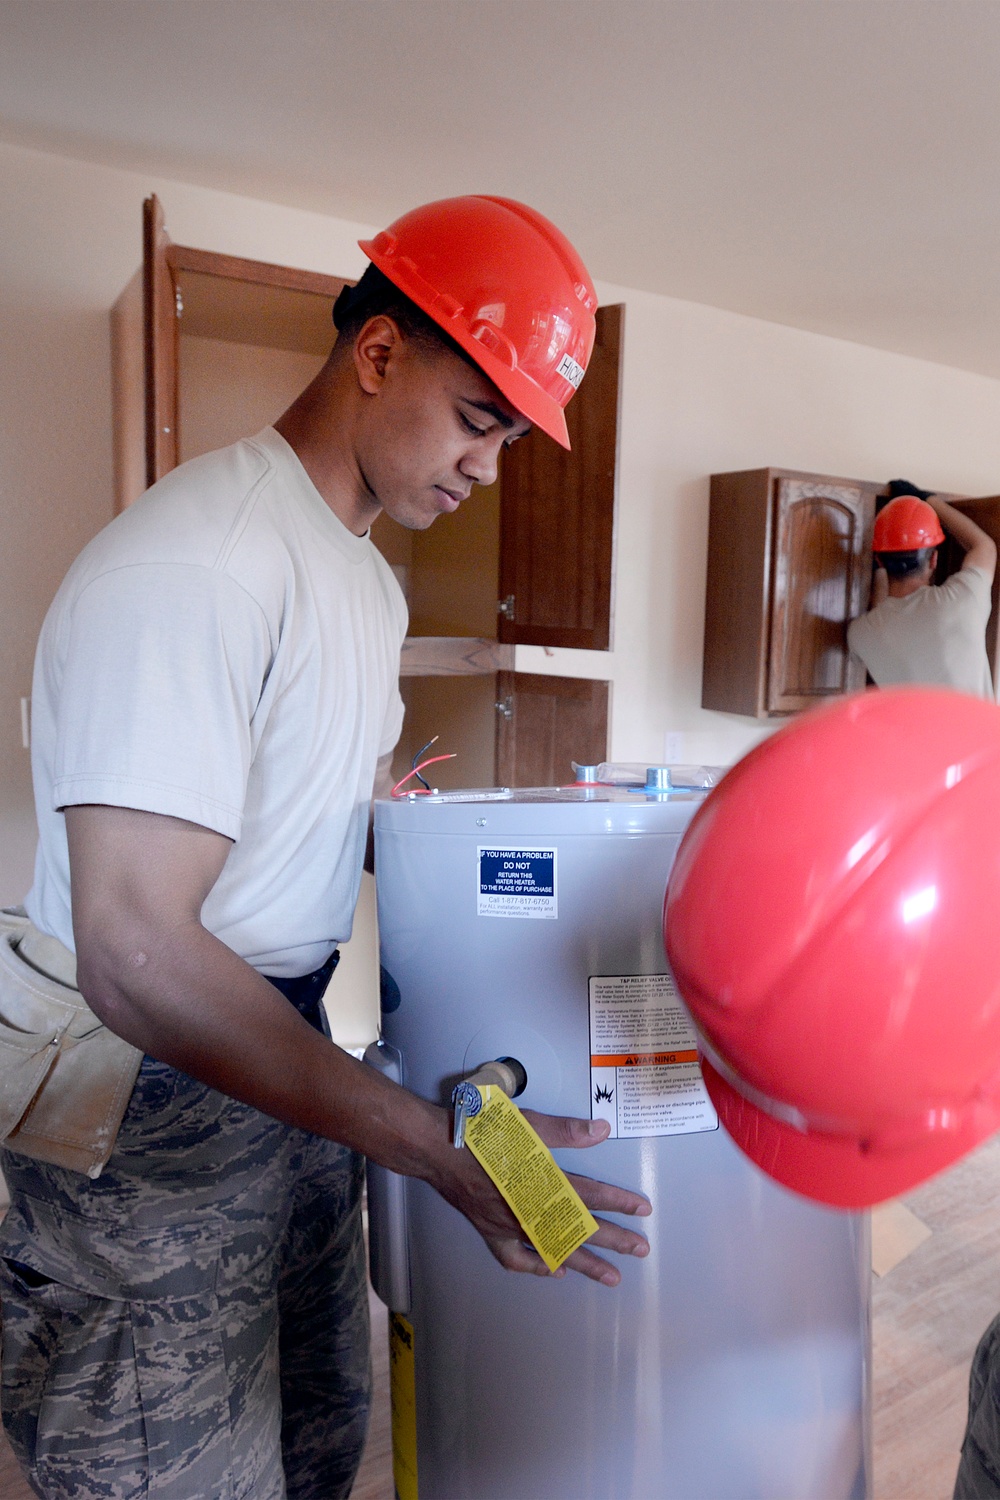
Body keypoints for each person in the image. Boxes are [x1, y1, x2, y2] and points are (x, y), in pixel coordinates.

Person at [0, 196, 652, 1500]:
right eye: (478, 420)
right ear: (377, 354)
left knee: (312, 1431)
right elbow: (136, 951)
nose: (487, 467)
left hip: (279, 1058)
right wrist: (423, 1144)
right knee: (171, 1469)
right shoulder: (198, 563)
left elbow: (275, 819)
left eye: (510, 439)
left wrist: (401, 836)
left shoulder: (359, 577)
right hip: (137, 1092)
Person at [847, 478, 997, 698]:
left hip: (911, 734)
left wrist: (880, 566)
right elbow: (984, 546)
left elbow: (881, 617)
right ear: (934, 559)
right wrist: (928, 500)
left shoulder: (860, 635)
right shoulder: (962, 600)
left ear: (879, 561)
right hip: (981, 733)